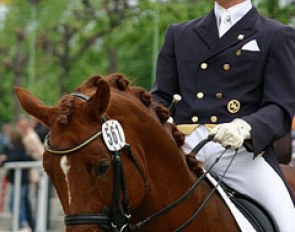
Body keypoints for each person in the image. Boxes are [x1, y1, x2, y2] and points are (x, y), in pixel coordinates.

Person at [151, 0, 295, 231]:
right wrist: (159, 121)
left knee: (289, 222)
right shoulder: (179, 34)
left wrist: (246, 127)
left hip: (240, 153)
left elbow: (279, 107)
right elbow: (161, 97)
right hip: (182, 148)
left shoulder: (276, 35)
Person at [0, 129, 34, 232]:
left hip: (21, 182)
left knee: (18, 204)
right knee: (17, 203)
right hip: (19, 181)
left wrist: (3, 161)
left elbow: (11, 159)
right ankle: (23, 224)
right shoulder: (18, 147)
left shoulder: (19, 148)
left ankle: (22, 224)